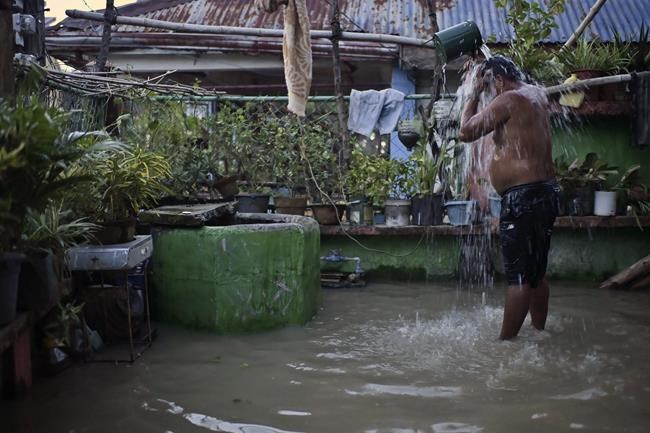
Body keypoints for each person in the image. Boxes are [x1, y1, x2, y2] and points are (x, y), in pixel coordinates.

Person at [458, 56, 559, 340]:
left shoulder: (509, 99)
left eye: (490, 88)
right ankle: (539, 333)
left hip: (522, 197)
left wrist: (474, 95)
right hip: (547, 192)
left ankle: (505, 346)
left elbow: (466, 132)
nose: (490, 94)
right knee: (537, 273)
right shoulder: (536, 94)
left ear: (498, 80)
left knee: (518, 277)